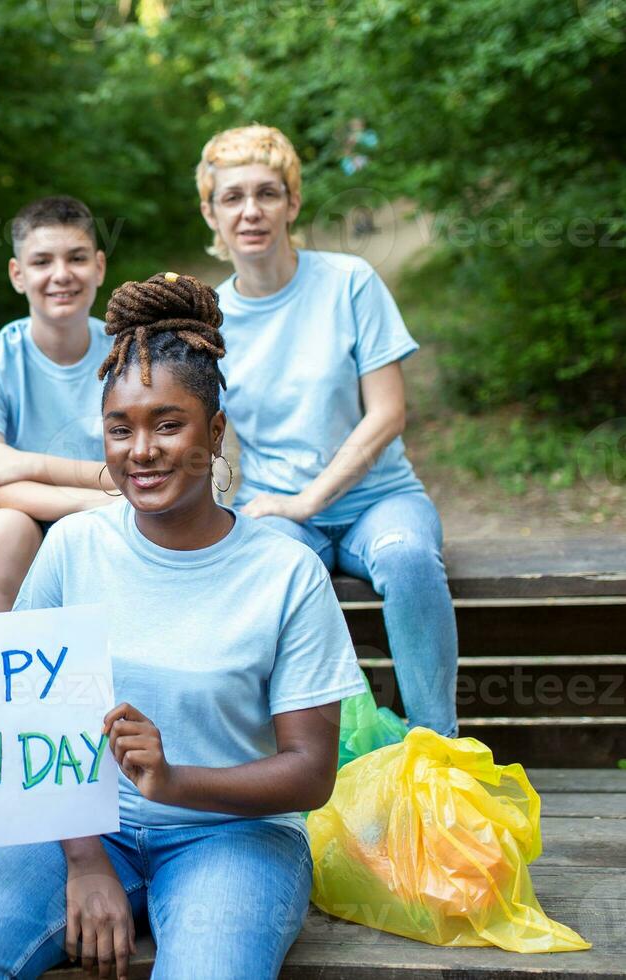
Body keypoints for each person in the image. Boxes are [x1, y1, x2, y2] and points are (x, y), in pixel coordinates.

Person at [0, 274, 367, 980]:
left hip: (233, 836)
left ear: (215, 432)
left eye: (168, 424)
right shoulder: (72, 546)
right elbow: (27, 716)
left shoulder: (286, 573)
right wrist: (85, 858)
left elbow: (310, 775)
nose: (142, 450)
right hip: (86, 825)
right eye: (119, 428)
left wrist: (174, 781)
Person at [195, 123, 458, 736]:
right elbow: (197, 430)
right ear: (211, 213)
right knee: (258, 574)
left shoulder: (350, 282)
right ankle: (298, 763)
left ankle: (439, 750)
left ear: (293, 202)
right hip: (280, 513)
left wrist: (309, 497)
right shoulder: (209, 318)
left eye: (267, 193)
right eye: (232, 197)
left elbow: (388, 412)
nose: (251, 211)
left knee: (410, 558)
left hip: (379, 499)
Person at [0, 195, 117, 614]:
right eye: (42, 262)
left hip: (124, 510)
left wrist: (26, 463)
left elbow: (147, 472)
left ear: (98, 266)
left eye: (76, 258)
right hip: (69, 508)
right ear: (17, 274)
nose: (61, 275)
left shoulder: (129, 354)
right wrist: (92, 501)